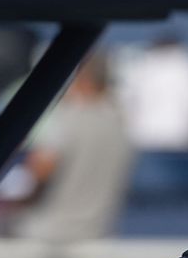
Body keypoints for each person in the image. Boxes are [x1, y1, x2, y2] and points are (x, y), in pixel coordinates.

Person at [12, 51, 134, 243]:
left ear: (80, 79)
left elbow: (41, 170)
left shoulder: (68, 118)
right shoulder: (120, 125)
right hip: (99, 234)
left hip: (46, 235)